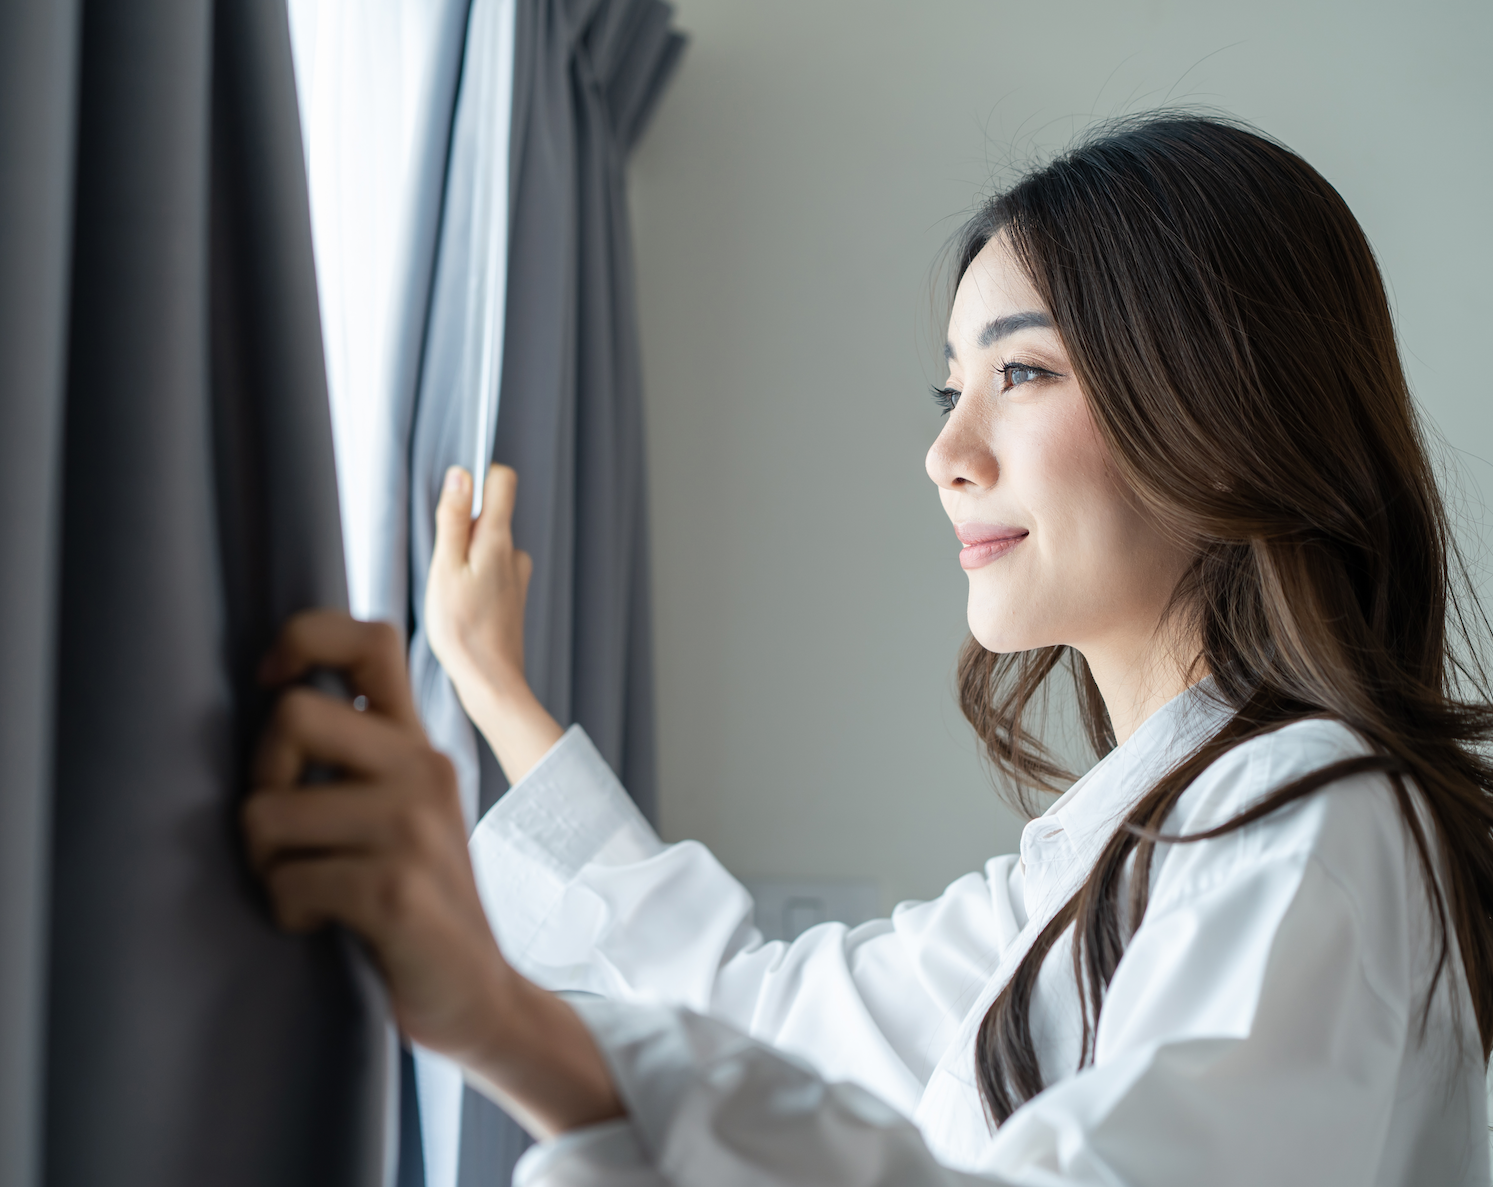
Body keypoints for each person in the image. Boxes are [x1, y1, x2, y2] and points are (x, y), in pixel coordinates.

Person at [238, 114, 1493, 1185]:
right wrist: (495, 690)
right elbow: (755, 1007)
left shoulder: (1313, 816)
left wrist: (503, 1019)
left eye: (1025, 371)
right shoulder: (1113, 863)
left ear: (1220, 406)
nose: (949, 451)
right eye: (953, 389)